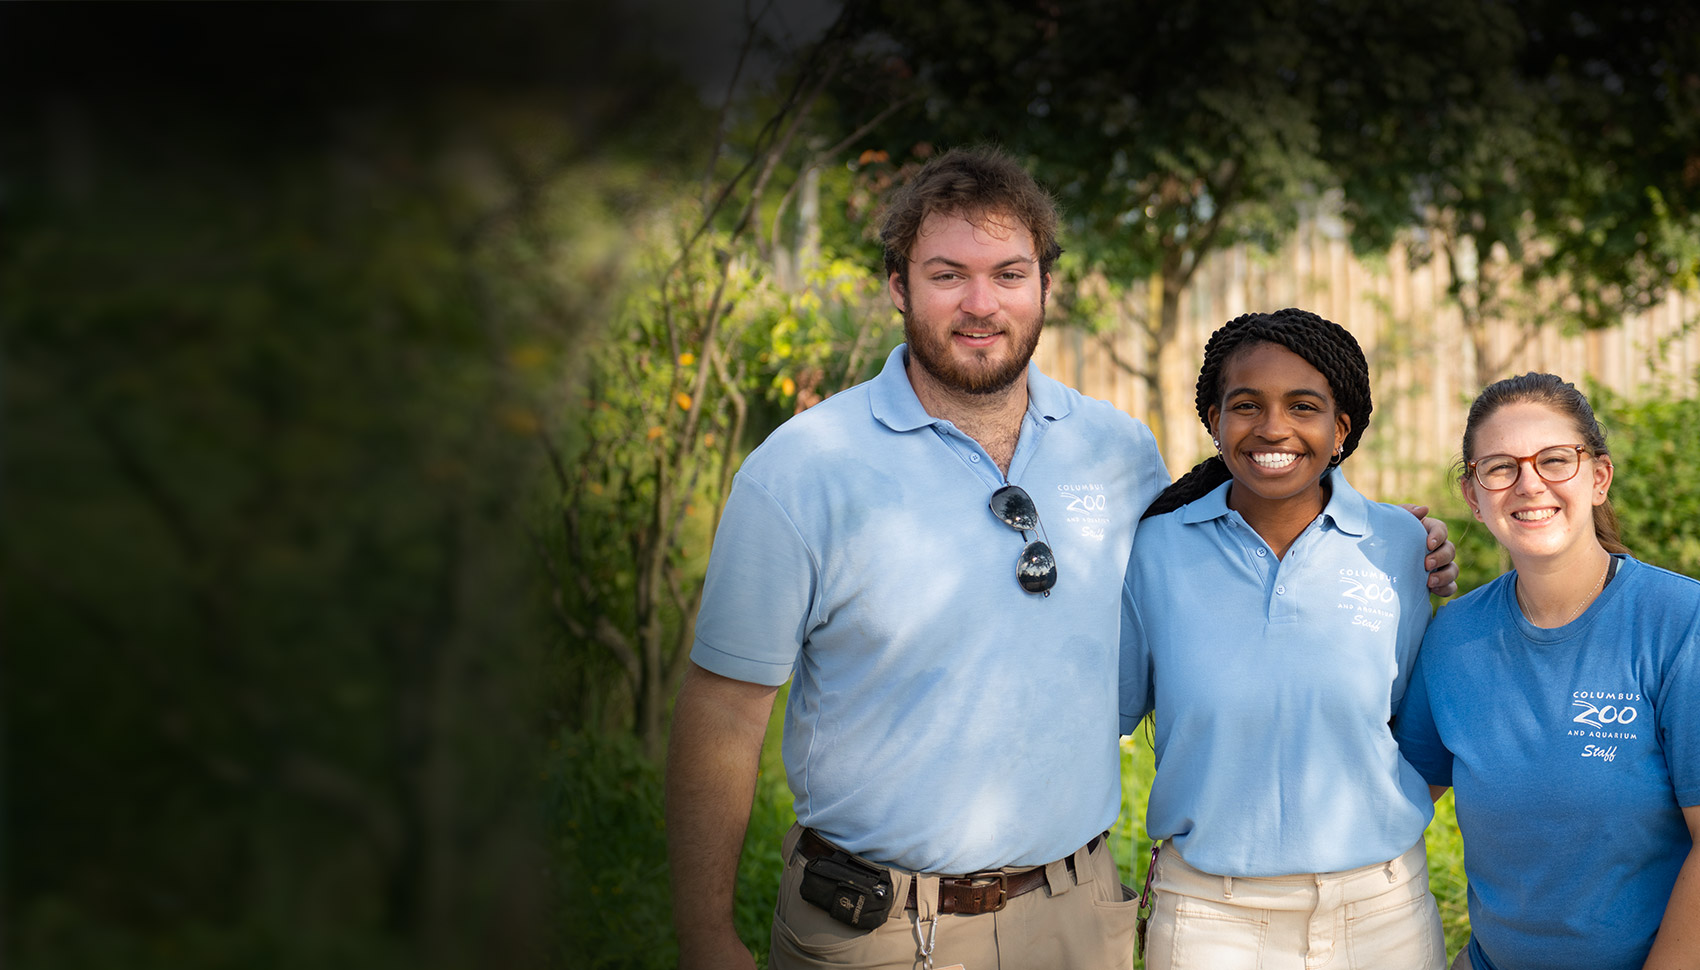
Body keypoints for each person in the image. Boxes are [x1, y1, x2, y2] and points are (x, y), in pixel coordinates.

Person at [665, 147, 1457, 970]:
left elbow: (1249, 503)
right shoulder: (802, 470)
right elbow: (722, 710)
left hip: (1078, 915)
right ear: (898, 286)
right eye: (947, 275)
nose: (981, 304)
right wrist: (704, 937)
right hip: (880, 927)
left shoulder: (1115, 450)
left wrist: (1385, 538)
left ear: (1047, 285)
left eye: (1009, 273)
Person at [1118, 308, 1447, 970]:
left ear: (1340, 428)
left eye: (1303, 406)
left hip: (1382, 914)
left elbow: (1425, 729)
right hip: (1212, 918)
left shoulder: (1400, 546)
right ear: (1214, 419)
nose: (1274, 428)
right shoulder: (1153, 552)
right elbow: (1104, 722)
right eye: (1246, 405)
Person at [1392, 373, 1699, 970]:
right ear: (1473, 497)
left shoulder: (1680, 624)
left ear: (1599, 478)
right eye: (1500, 467)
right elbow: (1395, 801)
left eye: (1555, 460)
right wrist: (1362, 552)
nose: (1529, 484)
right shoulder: (1454, 638)